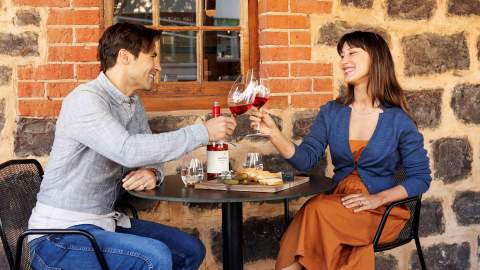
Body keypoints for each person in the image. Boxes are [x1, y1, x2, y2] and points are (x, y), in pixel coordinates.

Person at [27, 22, 237, 270]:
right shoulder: (85, 101)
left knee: (189, 250)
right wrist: (203, 132)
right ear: (125, 57)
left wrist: (152, 172)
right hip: (58, 238)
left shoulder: (132, 102)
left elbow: (147, 152)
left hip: (103, 223)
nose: (158, 66)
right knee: (154, 256)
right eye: (153, 57)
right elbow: (128, 150)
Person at [250, 31, 431, 270]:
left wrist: (377, 198)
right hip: (338, 202)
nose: (344, 60)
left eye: (352, 53)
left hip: (379, 211)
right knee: (317, 213)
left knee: (314, 211)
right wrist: (274, 134)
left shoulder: (399, 121)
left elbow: (421, 178)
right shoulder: (332, 112)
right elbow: (305, 159)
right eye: (342, 54)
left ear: (376, 59)